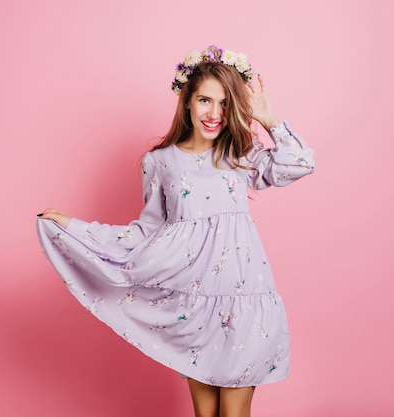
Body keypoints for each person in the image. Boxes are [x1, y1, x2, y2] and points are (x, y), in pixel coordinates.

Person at [36, 45, 315, 417]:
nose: (214, 113)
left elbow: (299, 163)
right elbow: (144, 233)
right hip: (194, 303)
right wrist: (74, 227)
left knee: (234, 413)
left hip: (245, 297)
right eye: (204, 100)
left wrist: (268, 120)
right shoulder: (159, 162)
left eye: (225, 103)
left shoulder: (241, 154)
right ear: (187, 101)